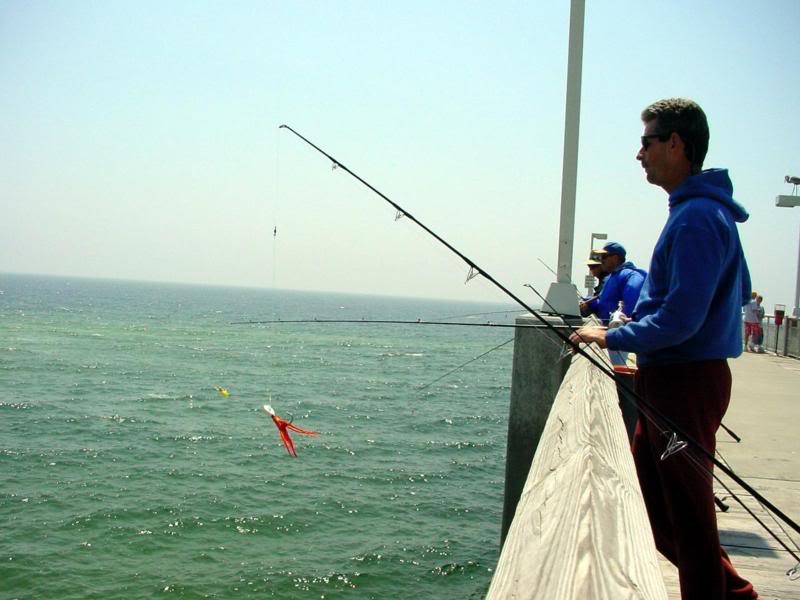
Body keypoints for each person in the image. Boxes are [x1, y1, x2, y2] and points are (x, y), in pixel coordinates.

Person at [569, 98, 756, 599]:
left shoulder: (696, 218)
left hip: (684, 384)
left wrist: (612, 335)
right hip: (676, 380)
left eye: (647, 142)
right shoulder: (704, 214)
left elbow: (681, 319)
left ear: (676, 143)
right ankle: (735, 595)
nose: (639, 154)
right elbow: (734, 293)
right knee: (657, 508)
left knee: (689, 519)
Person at [580, 242, 647, 323]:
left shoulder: (630, 275)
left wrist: (624, 323)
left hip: (617, 330)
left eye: (603, 257)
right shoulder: (610, 277)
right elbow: (603, 301)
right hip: (605, 327)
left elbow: (633, 302)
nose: (601, 260)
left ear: (615, 258)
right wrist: (589, 304)